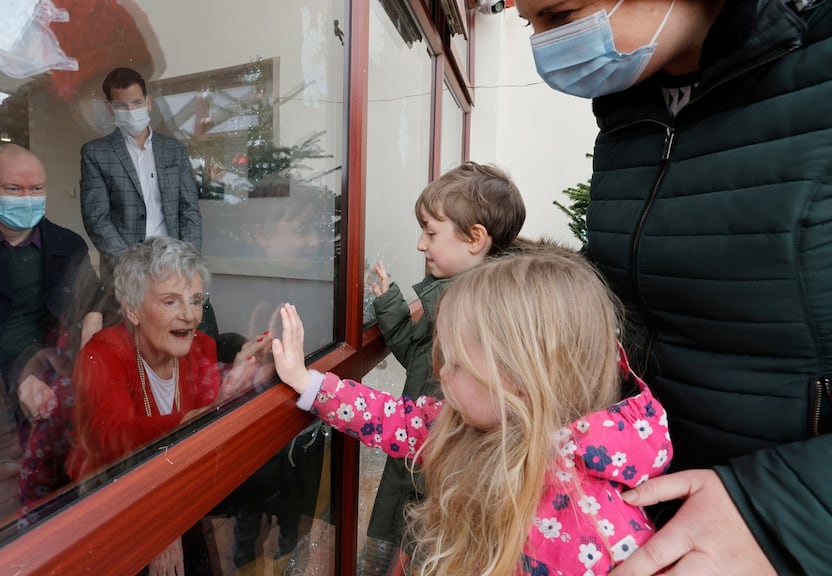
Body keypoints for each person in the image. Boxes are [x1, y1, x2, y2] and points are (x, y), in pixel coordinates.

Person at [515, 0, 832, 573]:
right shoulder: (630, 114)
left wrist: (784, 514)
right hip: (641, 514)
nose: (544, 46)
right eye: (529, 24)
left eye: (561, 16)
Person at [272, 250, 673, 575]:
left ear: (518, 377)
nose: (441, 372)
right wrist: (307, 383)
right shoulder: (468, 424)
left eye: (458, 362)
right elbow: (389, 416)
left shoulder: (598, 531)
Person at [65, 236, 270, 573]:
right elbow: (113, 441)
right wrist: (158, 528)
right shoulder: (101, 355)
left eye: (195, 300)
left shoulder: (201, 347)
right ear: (132, 309)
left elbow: (202, 448)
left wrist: (237, 386)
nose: (189, 315)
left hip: (178, 495)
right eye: (171, 301)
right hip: (113, 506)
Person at [363, 161, 525, 570]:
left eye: (431, 233)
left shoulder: (489, 310)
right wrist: (389, 304)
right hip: (418, 448)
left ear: (475, 239)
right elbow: (418, 360)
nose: (421, 244)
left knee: (431, 545)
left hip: (448, 463)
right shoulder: (444, 295)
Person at [0, 143, 107, 441]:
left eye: (37, 189)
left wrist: (94, 316)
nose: (28, 199)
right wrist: (24, 373)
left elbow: (94, 294)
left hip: (66, 367)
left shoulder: (68, 244)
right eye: (14, 189)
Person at [79, 66, 203, 278]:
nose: (130, 110)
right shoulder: (96, 153)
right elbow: (97, 219)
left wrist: (188, 261)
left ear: (148, 102)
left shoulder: (174, 150)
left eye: (136, 103)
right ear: (110, 108)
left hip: (173, 265)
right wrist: (129, 265)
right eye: (121, 105)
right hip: (125, 270)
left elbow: (189, 209)